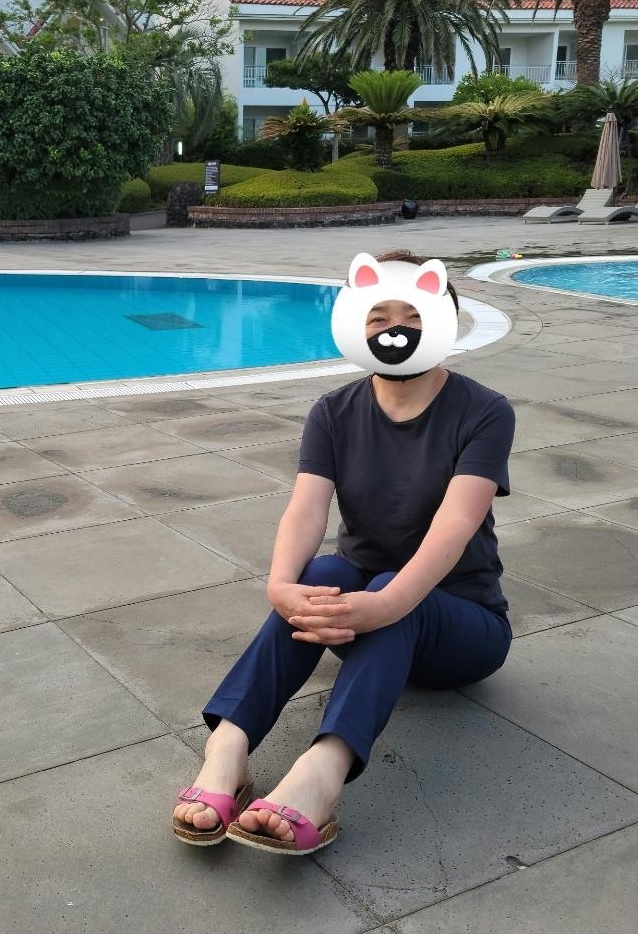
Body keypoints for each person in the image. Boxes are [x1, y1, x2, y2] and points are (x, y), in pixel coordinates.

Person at [170, 250, 516, 856]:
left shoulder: (484, 411)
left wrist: (385, 605)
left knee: (388, 589)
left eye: (413, 314)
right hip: (362, 614)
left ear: (446, 320)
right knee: (322, 572)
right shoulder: (333, 411)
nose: (394, 329)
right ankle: (228, 744)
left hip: (463, 629)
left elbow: (457, 523)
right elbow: (307, 509)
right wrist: (281, 585)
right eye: (378, 316)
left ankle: (322, 770)